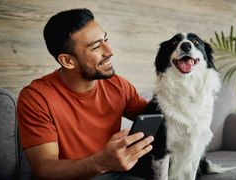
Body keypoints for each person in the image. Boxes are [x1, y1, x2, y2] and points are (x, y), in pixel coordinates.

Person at [17, 8, 153, 180]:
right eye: (96, 47)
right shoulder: (36, 97)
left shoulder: (118, 84)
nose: (110, 51)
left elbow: (155, 116)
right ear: (67, 61)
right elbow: (44, 168)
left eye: (106, 40)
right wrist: (101, 162)